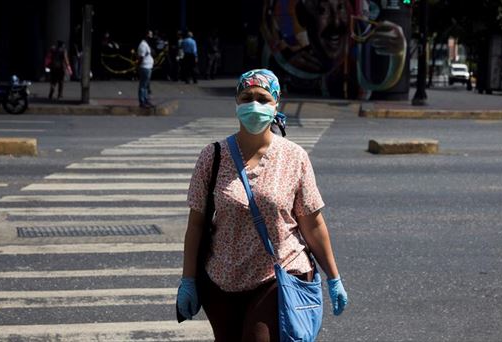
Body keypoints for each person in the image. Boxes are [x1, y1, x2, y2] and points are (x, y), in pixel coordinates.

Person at [177, 69, 348, 340]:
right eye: (247, 97)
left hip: (276, 275)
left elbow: (312, 223)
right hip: (222, 280)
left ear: (276, 104)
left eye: (263, 98)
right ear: (237, 102)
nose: (254, 105)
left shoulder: (294, 157)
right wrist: (188, 280)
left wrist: (334, 277)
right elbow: (196, 225)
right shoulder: (212, 157)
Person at [137, 30, 155, 108]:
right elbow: (141, 57)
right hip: (145, 67)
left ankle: (145, 100)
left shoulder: (146, 44)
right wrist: (138, 66)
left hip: (148, 67)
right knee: (143, 85)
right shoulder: (143, 45)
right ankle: (142, 101)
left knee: (146, 85)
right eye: (150, 36)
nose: (151, 38)